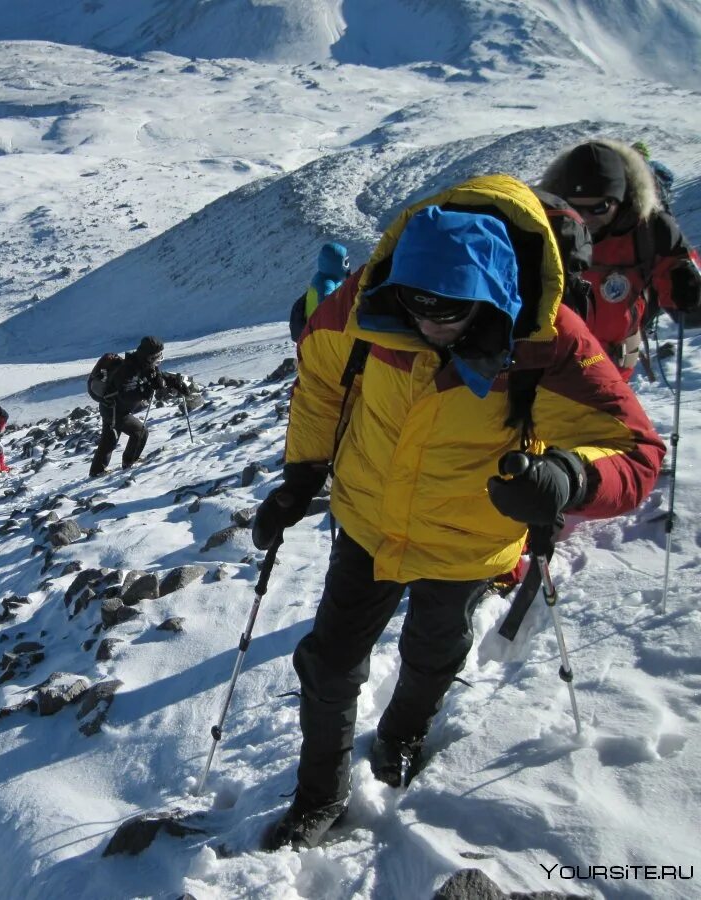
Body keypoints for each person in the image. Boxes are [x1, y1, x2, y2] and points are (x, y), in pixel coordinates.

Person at [251, 176, 665, 851]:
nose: (430, 320)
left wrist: (569, 475)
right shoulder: (364, 303)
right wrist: (300, 478)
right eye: (416, 303)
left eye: (451, 308)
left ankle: (404, 734)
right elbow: (322, 376)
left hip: (470, 537)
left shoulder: (546, 336)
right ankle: (318, 797)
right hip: (367, 519)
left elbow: (638, 451)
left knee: (434, 650)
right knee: (328, 665)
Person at [539, 139, 700, 379]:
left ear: (620, 199)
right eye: (577, 208)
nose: (586, 218)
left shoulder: (650, 231)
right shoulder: (544, 223)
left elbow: (690, 312)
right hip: (549, 369)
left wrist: (689, 290)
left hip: (611, 371)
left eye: (599, 208)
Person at [88, 335, 191, 477]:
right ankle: (128, 463)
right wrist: (148, 389)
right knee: (138, 433)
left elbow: (158, 376)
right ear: (149, 356)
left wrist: (175, 382)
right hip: (114, 411)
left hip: (113, 409)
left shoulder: (143, 364)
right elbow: (127, 395)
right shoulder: (128, 370)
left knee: (111, 439)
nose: (159, 358)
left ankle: (99, 471)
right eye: (157, 355)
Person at [290, 242, 350, 342]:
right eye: (345, 262)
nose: (348, 266)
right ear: (336, 263)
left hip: (316, 329)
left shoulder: (324, 278)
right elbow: (329, 308)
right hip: (319, 334)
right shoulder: (326, 284)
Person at [632, 140, 675, 213]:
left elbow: (669, 177)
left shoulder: (651, 166)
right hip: (659, 200)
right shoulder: (653, 165)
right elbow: (669, 176)